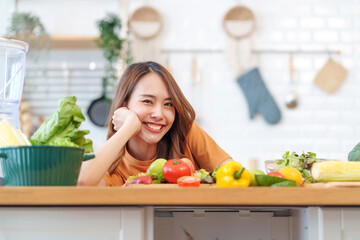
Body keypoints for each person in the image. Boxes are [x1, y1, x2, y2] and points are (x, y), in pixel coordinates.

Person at [78, 61, 232, 186]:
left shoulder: (185, 132)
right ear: (125, 103)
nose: (159, 114)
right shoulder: (114, 166)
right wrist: (128, 127)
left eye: (168, 104)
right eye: (147, 101)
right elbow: (83, 182)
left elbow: (232, 173)